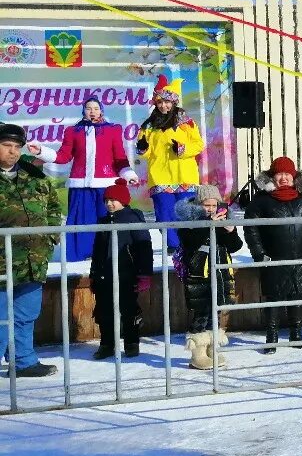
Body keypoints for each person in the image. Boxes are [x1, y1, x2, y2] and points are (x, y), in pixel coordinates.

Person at [31, 97, 138, 262]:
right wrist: (41, 151)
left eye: (96, 108)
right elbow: (63, 156)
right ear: (83, 111)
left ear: (101, 110)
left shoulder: (113, 130)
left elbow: (119, 157)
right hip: (80, 186)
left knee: (108, 220)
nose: (92, 111)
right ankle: (79, 257)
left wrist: (129, 175)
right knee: (80, 222)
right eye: (89, 108)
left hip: (106, 186)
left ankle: (111, 255)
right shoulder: (73, 131)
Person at [244, 156, 302, 352]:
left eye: (287, 174)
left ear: (294, 176)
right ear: (273, 176)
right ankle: (272, 336)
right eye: (279, 174)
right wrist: (259, 253)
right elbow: (251, 229)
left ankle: (296, 332)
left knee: (297, 294)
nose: (283, 178)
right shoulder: (261, 201)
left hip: (301, 256)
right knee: (274, 296)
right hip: (274, 257)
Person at [0, 124, 61, 377]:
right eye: (6, 146)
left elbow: (54, 208)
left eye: (17, 147)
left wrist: (51, 237)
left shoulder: (34, 176)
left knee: (26, 315)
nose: (12, 152)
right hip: (2, 262)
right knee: (1, 316)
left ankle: (23, 361)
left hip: (33, 260)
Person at [174, 186, 243, 370]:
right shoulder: (189, 220)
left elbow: (236, 247)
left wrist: (230, 231)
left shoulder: (221, 218)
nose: (211, 208)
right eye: (206, 205)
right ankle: (198, 353)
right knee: (201, 312)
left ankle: (212, 349)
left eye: (214, 204)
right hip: (199, 273)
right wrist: (207, 225)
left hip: (219, 272)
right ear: (198, 204)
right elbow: (189, 243)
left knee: (216, 311)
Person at [136, 75, 204, 250]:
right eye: (160, 102)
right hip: (160, 176)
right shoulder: (148, 126)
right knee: (164, 213)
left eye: (167, 102)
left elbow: (198, 144)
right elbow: (146, 152)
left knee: (187, 213)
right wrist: (143, 147)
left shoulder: (186, 123)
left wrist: (182, 148)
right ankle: (173, 246)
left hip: (184, 175)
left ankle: (189, 244)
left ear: (174, 102)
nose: (163, 105)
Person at [88, 179, 152, 360]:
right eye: (106, 200)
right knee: (104, 311)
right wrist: (94, 274)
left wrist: (144, 274)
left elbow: (144, 247)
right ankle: (107, 344)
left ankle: (132, 343)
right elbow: (97, 250)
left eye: (113, 200)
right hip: (104, 275)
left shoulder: (133, 218)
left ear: (124, 201)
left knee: (128, 310)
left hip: (127, 274)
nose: (109, 204)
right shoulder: (103, 221)